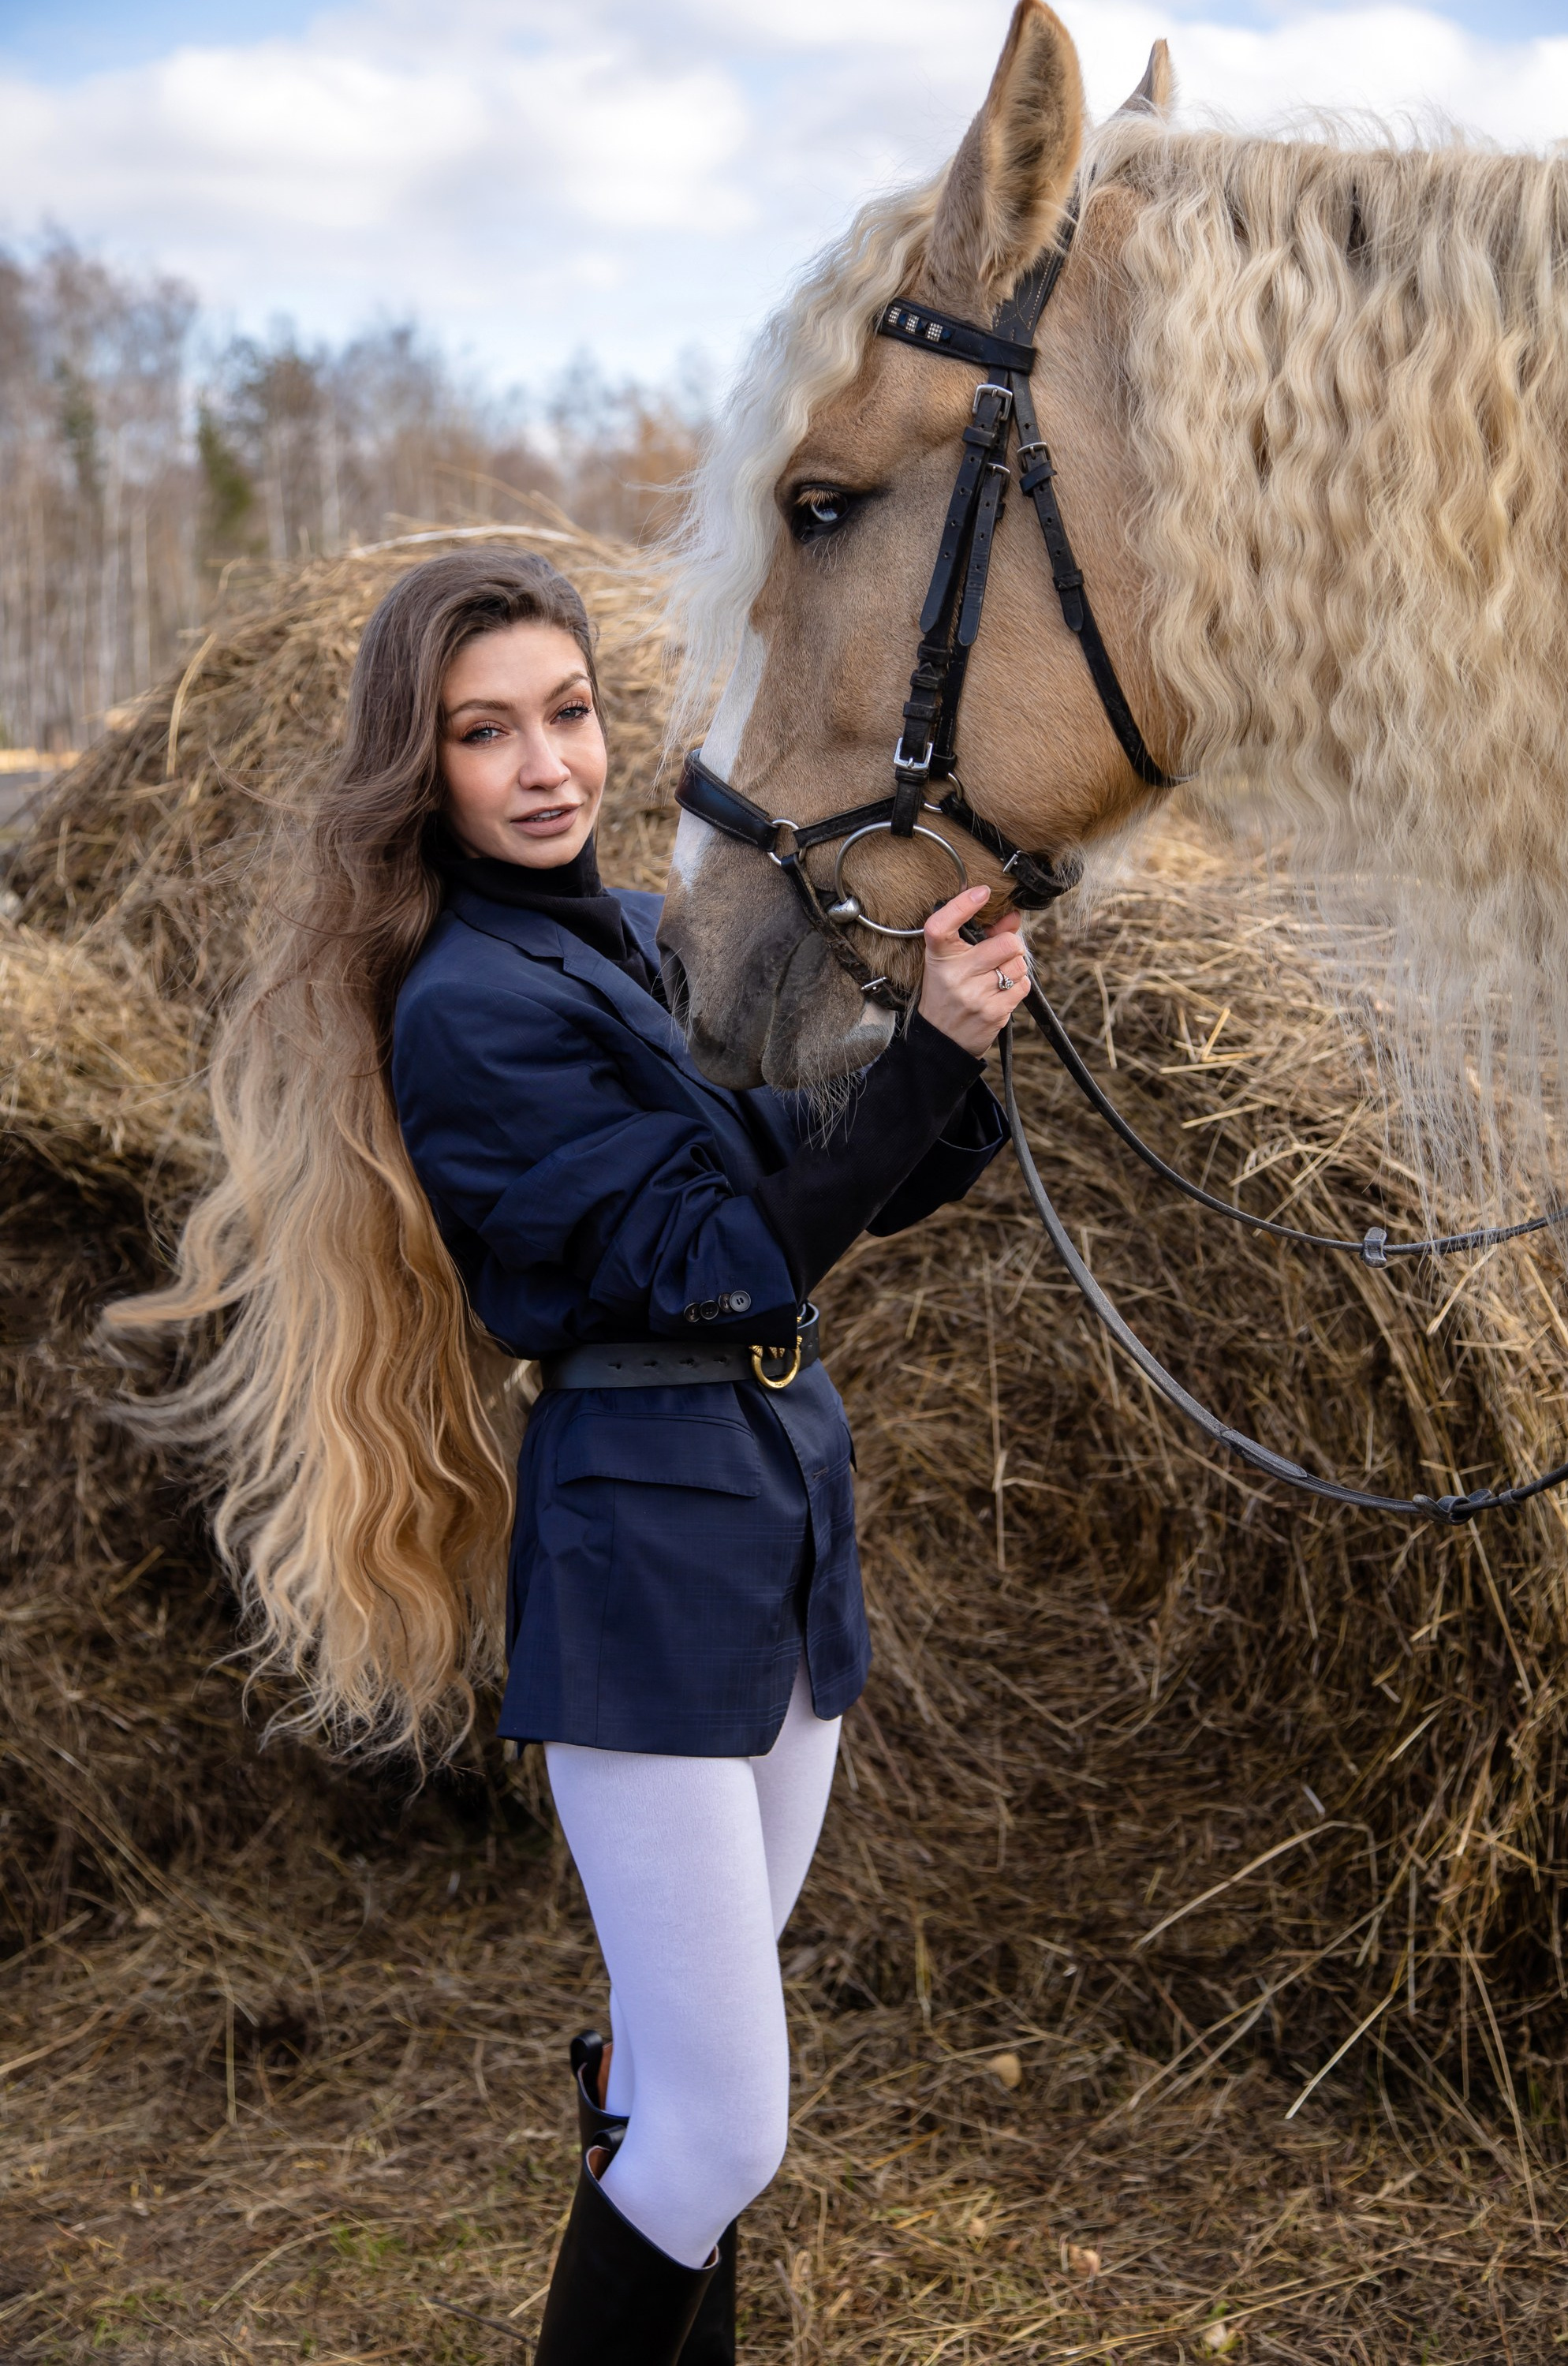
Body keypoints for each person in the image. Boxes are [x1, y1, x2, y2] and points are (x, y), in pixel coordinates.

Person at [113, 548, 1030, 2365]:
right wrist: (913, 1068)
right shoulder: (471, 1006)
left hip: (777, 1525)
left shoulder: (612, 938)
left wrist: (951, 1032)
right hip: (643, 1569)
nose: (547, 764)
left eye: (570, 712)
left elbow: (793, 1153)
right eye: (485, 732)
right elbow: (721, 1257)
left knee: (679, 2078)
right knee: (723, 2124)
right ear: (420, 766)